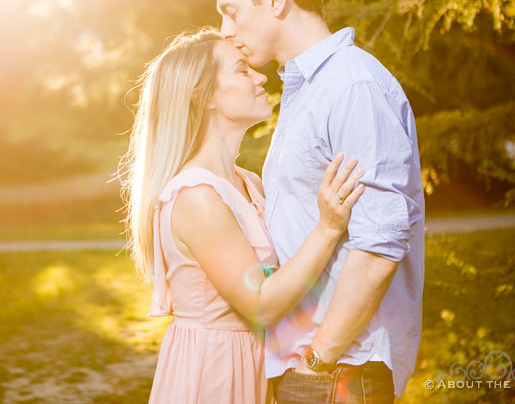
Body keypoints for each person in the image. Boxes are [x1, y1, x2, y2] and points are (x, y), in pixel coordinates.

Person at [205, 0, 425, 403]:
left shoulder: (351, 86)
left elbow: (381, 241)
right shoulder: (307, 90)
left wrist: (317, 360)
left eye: (232, 11)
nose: (226, 30)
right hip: (309, 367)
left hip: (338, 372)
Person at [120, 27, 366, 403]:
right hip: (212, 373)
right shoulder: (196, 197)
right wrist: (329, 227)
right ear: (203, 97)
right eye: (241, 70)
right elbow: (262, 306)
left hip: (251, 366)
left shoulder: (246, 182)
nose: (261, 76)